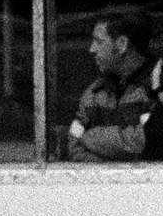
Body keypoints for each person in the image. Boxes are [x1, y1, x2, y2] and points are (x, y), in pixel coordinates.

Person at [63, 10, 157, 161]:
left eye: (99, 41)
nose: (91, 49)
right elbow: (74, 143)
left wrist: (91, 136)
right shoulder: (93, 94)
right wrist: (106, 172)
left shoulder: (158, 89)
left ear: (122, 45)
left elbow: (148, 141)